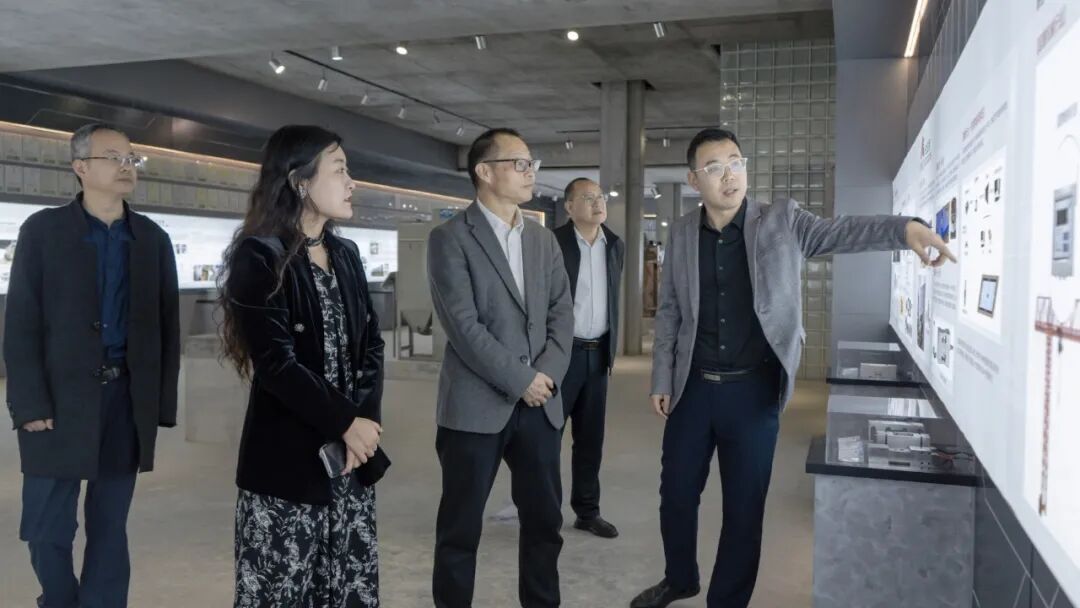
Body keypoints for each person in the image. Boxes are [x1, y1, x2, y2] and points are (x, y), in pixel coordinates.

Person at [630, 128, 955, 608]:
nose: (729, 175)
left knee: (744, 509)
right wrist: (661, 376)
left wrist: (904, 229)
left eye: (735, 162)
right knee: (676, 495)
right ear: (694, 180)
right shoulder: (681, 233)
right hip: (692, 387)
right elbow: (672, 310)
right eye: (715, 167)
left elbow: (841, 231)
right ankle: (680, 578)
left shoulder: (780, 220)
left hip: (753, 392)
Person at [5, 123, 180, 608]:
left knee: (109, 524)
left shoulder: (152, 238)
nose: (127, 166)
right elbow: (21, 323)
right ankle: (59, 600)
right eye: (113, 157)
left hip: (124, 398)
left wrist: (158, 406)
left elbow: (166, 329)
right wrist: (29, 403)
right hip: (58, 400)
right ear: (80, 167)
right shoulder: (43, 231)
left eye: (131, 158)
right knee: (46, 526)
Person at [218, 125, 386, 607]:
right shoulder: (260, 256)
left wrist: (364, 424)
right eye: (340, 170)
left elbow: (371, 345)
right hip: (288, 463)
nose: (351, 182)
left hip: (349, 461)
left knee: (347, 588)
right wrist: (346, 421)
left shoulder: (346, 254)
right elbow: (277, 364)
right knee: (281, 590)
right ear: (300, 181)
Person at [428, 128, 573, 608]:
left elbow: (562, 314)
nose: (531, 173)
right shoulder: (450, 238)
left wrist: (545, 376)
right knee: (460, 530)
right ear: (485, 172)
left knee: (545, 525)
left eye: (533, 164)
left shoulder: (543, 240)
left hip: (540, 405)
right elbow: (464, 328)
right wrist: (521, 379)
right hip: (475, 408)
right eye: (520, 163)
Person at [551, 177, 625, 538]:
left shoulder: (615, 245)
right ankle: (544, 511)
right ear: (569, 207)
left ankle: (587, 511)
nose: (598, 203)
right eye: (588, 198)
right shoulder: (553, 243)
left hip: (598, 356)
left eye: (601, 196)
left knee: (590, 439)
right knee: (547, 437)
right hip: (560, 355)